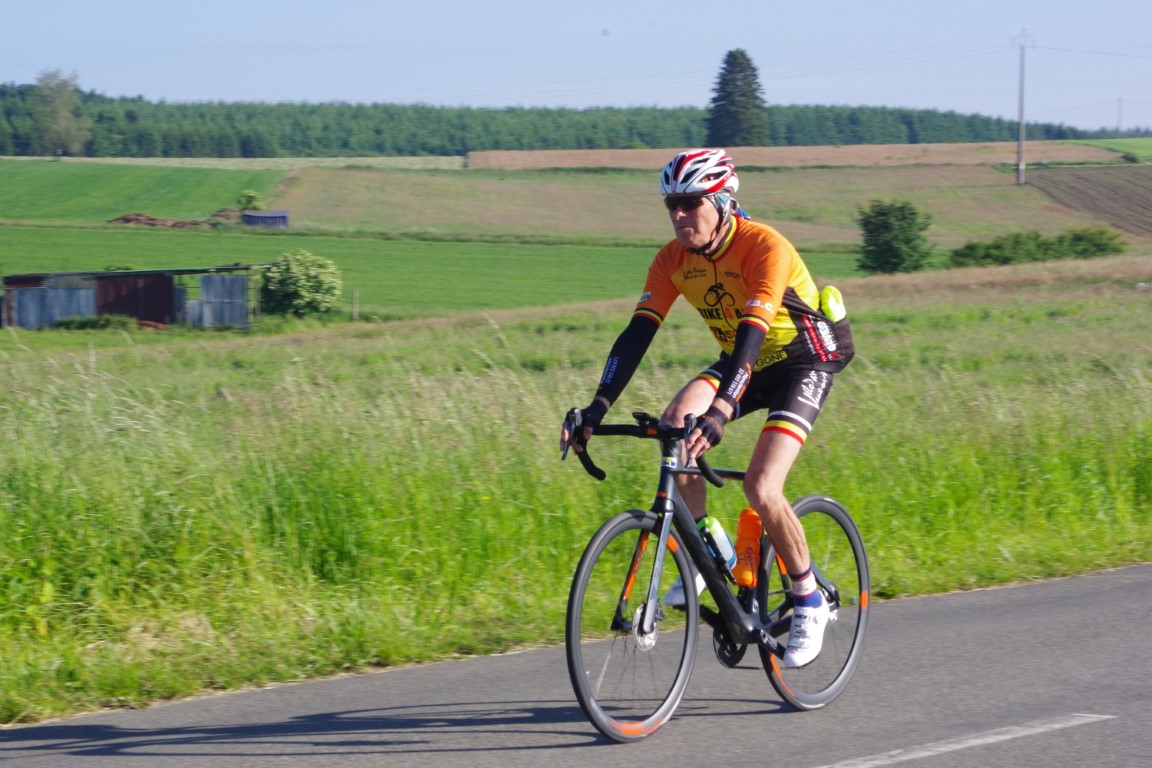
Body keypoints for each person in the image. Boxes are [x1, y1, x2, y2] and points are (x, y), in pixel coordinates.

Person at [560, 148, 854, 668]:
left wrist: (721, 410)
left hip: (803, 359)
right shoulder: (672, 259)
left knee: (761, 485)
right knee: (675, 425)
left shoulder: (764, 246)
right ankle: (707, 553)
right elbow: (636, 336)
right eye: (670, 204)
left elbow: (751, 335)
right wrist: (597, 407)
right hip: (745, 361)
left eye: (690, 203)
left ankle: (808, 597)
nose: (678, 215)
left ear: (721, 202)